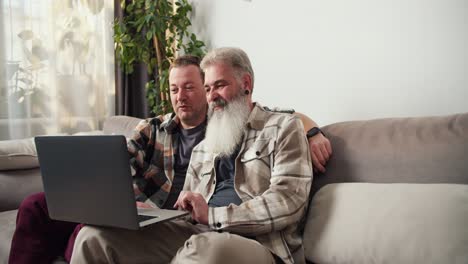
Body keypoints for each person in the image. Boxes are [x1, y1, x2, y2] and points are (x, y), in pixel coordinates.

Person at [9, 54, 330, 264]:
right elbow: (187, 209)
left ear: (246, 84)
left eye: (219, 84)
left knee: (206, 250)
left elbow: (287, 201)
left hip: (259, 246)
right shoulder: (204, 142)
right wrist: (161, 214)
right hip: (198, 232)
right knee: (94, 238)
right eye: (208, 87)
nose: (212, 95)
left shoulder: (282, 127)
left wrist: (212, 216)